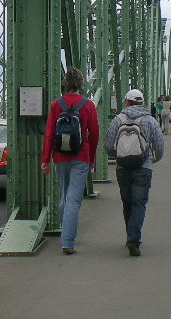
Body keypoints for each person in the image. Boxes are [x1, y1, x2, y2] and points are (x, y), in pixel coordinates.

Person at [41, 67, 100, 254]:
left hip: (59, 156)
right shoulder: (88, 105)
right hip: (80, 156)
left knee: (64, 196)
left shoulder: (56, 105)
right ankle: (67, 242)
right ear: (81, 83)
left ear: (65, 83)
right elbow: (95, 134)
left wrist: (45, 160)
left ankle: (64, 230)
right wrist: (91, 159)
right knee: (73, 200)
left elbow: (49, 134)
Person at [104, 89, 164, 257]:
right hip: (143, 168)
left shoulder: (118, 120)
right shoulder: (150, 120)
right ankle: (133, 239)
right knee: (139, 203)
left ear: (127, 102)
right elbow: (159, 147)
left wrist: (119, 156)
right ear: (142, 102)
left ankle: (130, 236)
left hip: (122, 167)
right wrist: (151, 160)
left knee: (127, 202)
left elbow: (108, 145)